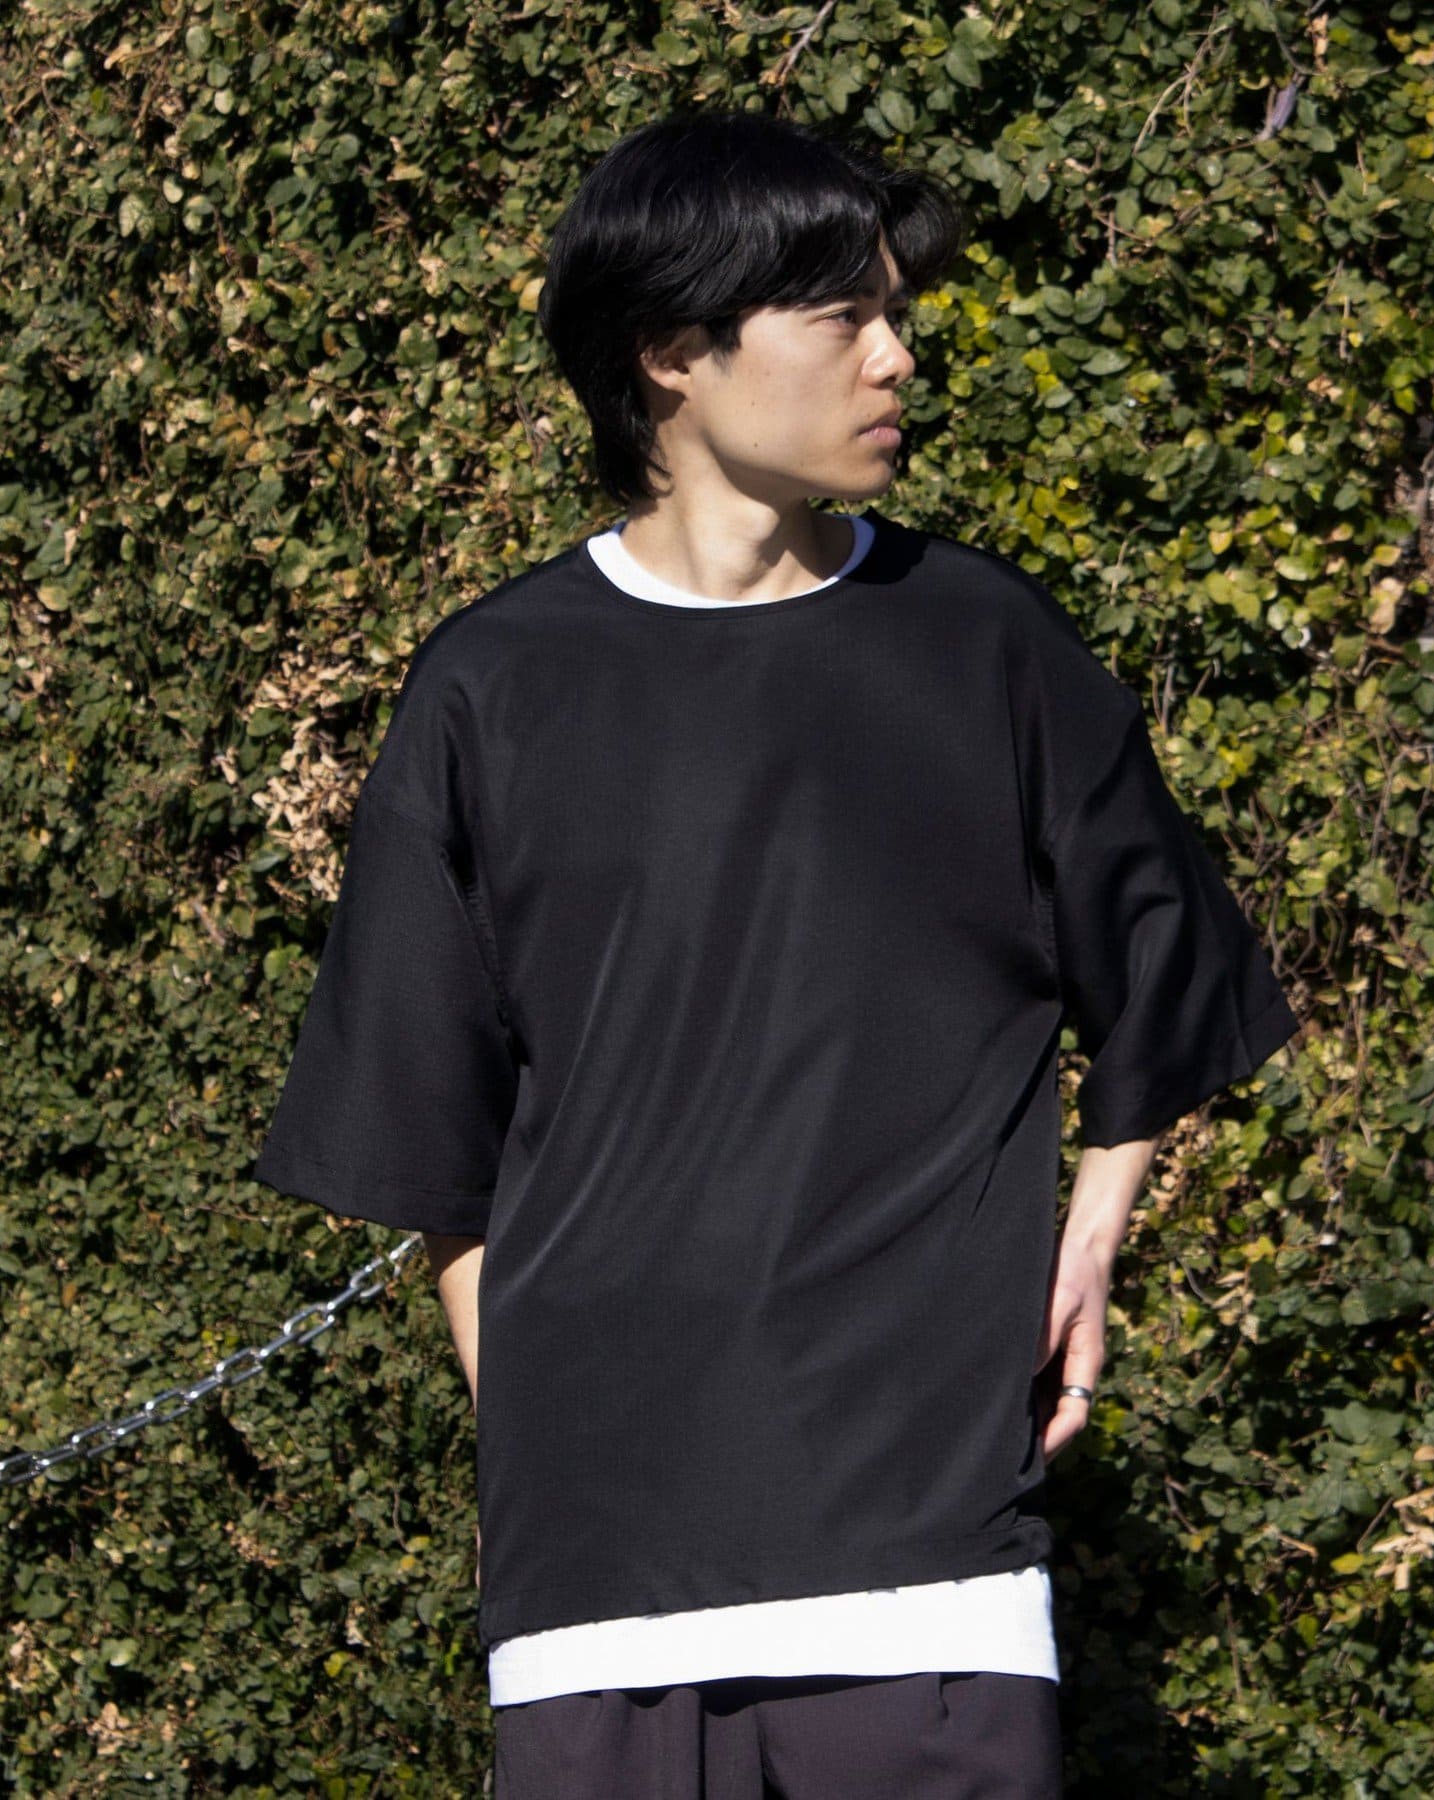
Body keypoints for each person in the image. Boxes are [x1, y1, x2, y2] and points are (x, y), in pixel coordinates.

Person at [251, 108, 1301, 1798]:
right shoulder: (493, 690)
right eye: (843, 316)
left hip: (929, 1568)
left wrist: (1093, 1241)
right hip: (597, 1597)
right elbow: (434, 1135)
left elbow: (1167, 965)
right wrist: (544, 1443)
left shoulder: (979, 645)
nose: (897, 357)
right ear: (672, 353)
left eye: (897, 312)